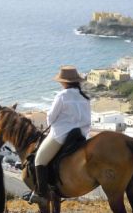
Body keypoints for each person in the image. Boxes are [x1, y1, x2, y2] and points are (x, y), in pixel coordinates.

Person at [30, 65, 92, 201]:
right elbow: (88, 120)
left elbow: (50, 119)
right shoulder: (85, 98)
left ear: (64, 82)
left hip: (61, 136)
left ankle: (41, 194)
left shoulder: (62, 96)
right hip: (81, 136)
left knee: (39, 160)